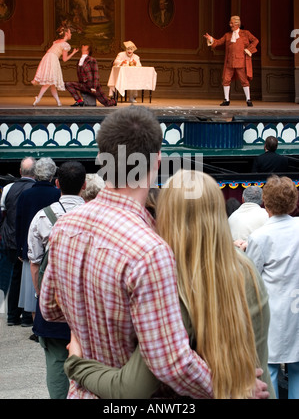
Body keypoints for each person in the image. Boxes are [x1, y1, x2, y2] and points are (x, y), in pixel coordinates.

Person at [40, 106, 270, 400]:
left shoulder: (65, 226)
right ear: (157, 161)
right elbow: (171, 362)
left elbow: (49, 309)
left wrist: (86, 328)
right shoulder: (149, 249)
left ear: (102, 160)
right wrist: (232, 389)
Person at [64, 170, 275, 399]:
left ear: (167, 215)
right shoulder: (247, 269)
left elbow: (130, 388)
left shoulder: (172, 283)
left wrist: (76, 364)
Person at [27, 161, 86, 399]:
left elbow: (34, 262)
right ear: (84, 186)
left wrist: (41, 295)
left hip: (53, 302)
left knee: (55, 362)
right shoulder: (97, 216)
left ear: (57, 183)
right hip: (88, 303)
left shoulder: (43, 217)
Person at [246, 175, 299, 399]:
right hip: (297, 306)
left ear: (265, 203)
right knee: (297, 368)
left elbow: (251, 277)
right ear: (294, 203)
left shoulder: (259, 236)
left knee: (270, 369)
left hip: (273, 311)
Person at [16, 157, 60, 338]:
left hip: (30, 247)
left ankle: (37, 327)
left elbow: (19, 222)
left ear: (35, 174)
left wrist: (21, 248)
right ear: (52, 176)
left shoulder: (25, 195)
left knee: (34, 289)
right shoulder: (57, 194)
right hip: (53, 247)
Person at [0, 157, 36, 326]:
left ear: (20, 171)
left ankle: (12, 316)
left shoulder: (8, 188)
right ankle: (28, 316)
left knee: (14, 277)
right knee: (30, 278)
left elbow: (4, 211)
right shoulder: (34, 188)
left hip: (11, 239)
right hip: (30, 240)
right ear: (35, 172)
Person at [204, 16, 259, 107]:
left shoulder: (245, 33)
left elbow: (255, 40)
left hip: (241, 62)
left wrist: (249, 49)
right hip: (229, 62)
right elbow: (218, 42)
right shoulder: (227, 35)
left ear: (237, 23)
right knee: (226, 80)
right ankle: (226, 100)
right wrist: (210, 39)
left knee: (244, 80)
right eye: (230, 23)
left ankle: (248, 99)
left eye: (232, 23)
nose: (230, 25)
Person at [31, 26, 79, 106]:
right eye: (70, 33)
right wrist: (73, 53)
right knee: (49, 81)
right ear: (66, 34)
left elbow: (50, 51)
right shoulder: (65, 45)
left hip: (47, 57)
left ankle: (58, 102)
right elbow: (65, 59)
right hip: (52, 59)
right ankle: (38, 98)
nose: (71, 35)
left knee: (52, 83)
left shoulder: (57, 42)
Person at [65, 43, 117, 108]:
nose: (83, 47)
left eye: (85, 47)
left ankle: (113, 101)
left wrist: (94, 87)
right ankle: (79, 101)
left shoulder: (92, 60)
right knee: (68, 84)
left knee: (107, 103)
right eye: (82, 47)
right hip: (84, 85)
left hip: (92, 86)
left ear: (88, 50)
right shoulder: (79, 61)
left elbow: (96, 74)